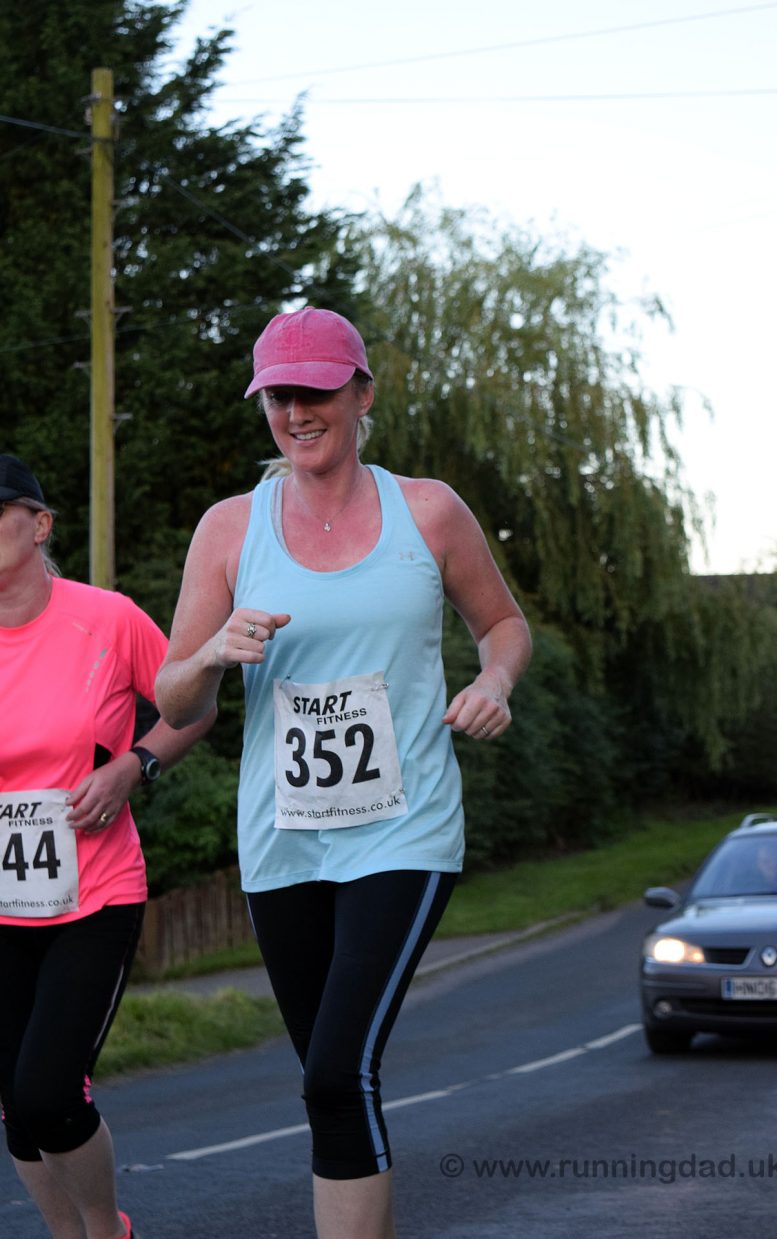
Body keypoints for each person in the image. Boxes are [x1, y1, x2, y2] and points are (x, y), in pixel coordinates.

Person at [155, 305, 532, 1239]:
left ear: (362, 393)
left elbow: (504, 623)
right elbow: (172, 700)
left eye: (317, 389)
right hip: (283, 838)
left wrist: (495, 679)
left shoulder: (430, 509)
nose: (296, 410)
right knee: (330, 1088)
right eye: (278, 394)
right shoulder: (230, 528)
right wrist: (211, 654)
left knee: (336, 1070)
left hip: (404, 827)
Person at [0, 454, 215, 1239]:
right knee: (13, 1102)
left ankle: (105, 1229)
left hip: (95, 889)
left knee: (49, 1088)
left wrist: (135, 763)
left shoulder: (108, 617)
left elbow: (192, 705)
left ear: (39, 524)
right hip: (3, 903)